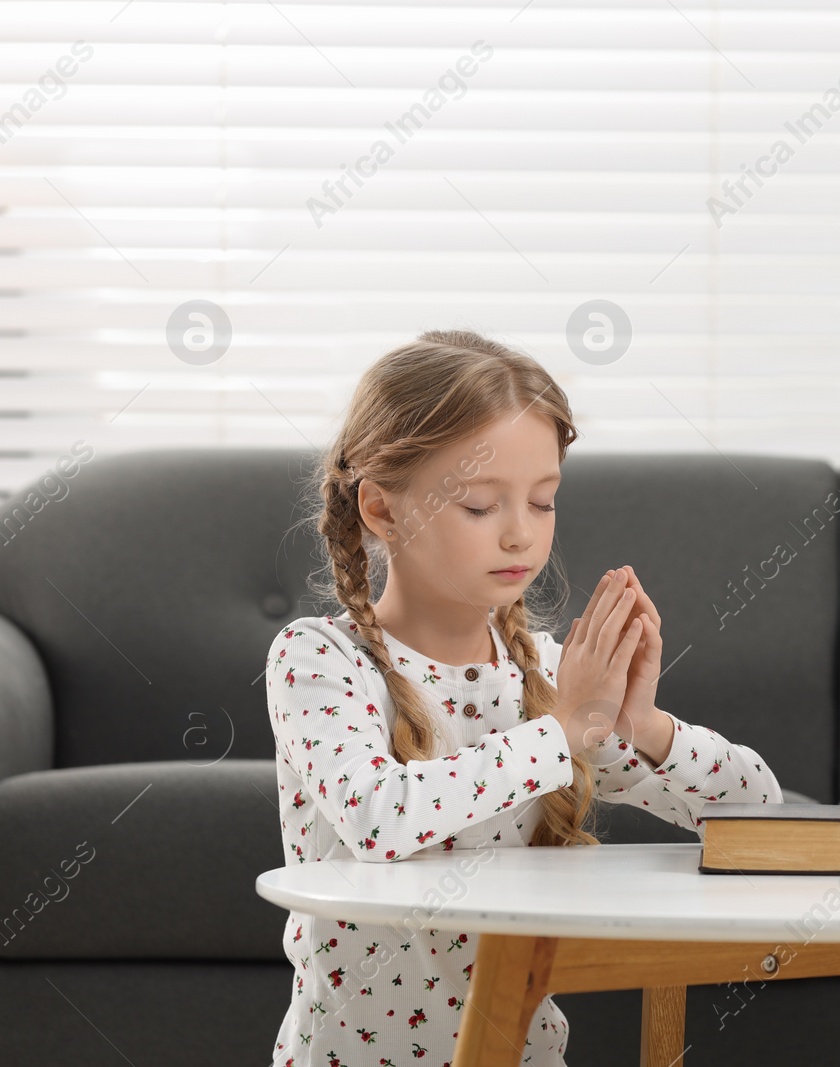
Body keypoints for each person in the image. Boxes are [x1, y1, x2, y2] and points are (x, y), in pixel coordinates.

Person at [265, 329, 783, 1066]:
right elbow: (377, 816)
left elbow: (757, 813)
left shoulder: (546, 674)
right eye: (480, 507)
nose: (520, 535)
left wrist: (642, 725)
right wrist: (563, 731)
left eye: (542, 502)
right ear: (380, 510)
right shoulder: (320, 657)